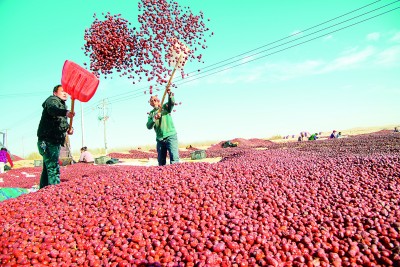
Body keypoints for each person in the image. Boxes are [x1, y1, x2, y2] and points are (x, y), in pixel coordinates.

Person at [37, 85, 75, 189]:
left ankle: (43, 191)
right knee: (53, 167)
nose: (65, 93)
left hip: (54, 141)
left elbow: (62, 123)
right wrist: (65, 113)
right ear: (55, 93)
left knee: (47, 167)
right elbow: (52, 110)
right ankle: (55, 190)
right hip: (48, 140)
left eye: (66, 92)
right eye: (62, 91)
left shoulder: (62, 106)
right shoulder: (52, 100)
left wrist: (69, 128)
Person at [146, 88, 179, 166]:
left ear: (158, 101)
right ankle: (162, 176)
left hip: (170, 136)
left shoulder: (165, 107)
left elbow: (172, 103)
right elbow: (148, 126)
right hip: (160, 139)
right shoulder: (151, 114)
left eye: (155, 100)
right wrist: (154, 118)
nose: (153, 101)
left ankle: (175, 174)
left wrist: (169, 94)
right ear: (150, 104)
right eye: (151, 100)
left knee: (174, 159)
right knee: (161, 161)